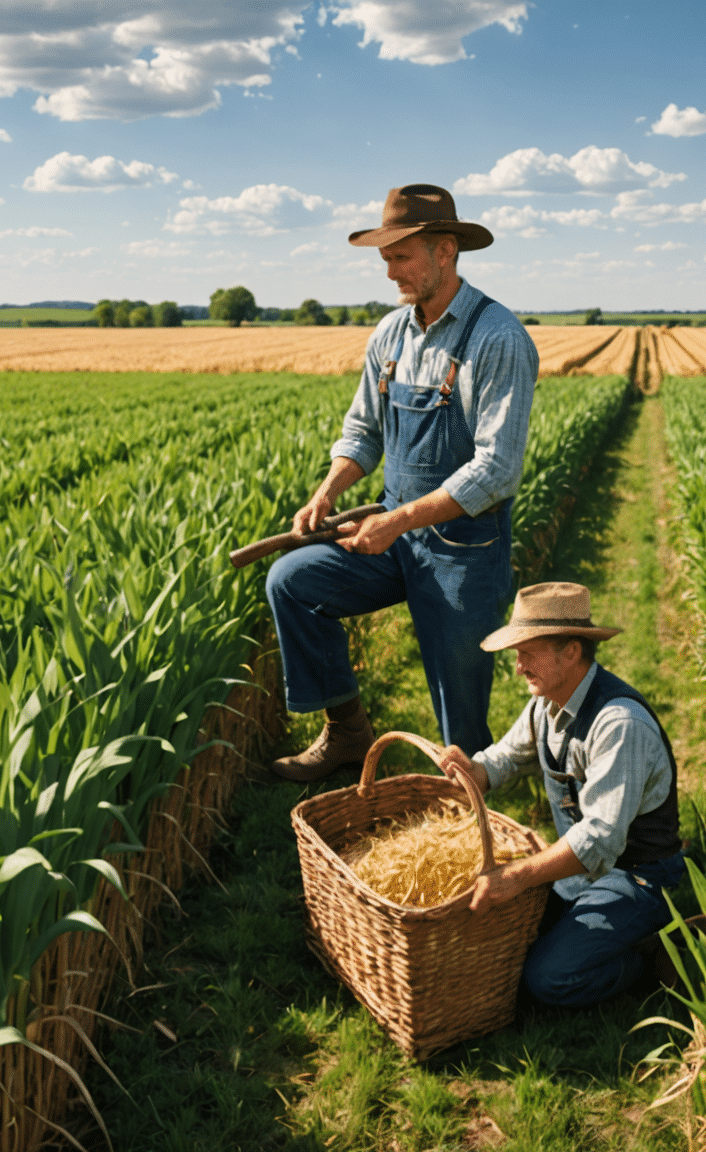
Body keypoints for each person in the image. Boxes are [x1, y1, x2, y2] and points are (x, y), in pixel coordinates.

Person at [266, 184, 539, 780]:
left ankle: (465, 801)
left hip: (464, 548)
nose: (389, 272)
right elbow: (363, 432)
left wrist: (398, 520)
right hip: (395, 533)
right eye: (384, 257)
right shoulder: (390, 335)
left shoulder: (498, 339)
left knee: (459, 710)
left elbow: (496, 469)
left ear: (446, 250)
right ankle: (345, 733)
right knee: (292, 580)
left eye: (401, 256)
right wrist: (328, 492)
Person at [436, 582, 685, 1007]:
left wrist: (516, 877)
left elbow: (601, 839)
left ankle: (650, 956)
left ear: (570, 652)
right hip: (582, 870)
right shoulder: (546, 703)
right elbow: (503, 760)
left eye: (527, 653)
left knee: (549, 978)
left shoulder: (619, 724)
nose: (517, 667)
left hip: (637, 875)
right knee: (502, 944)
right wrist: (472, 770)